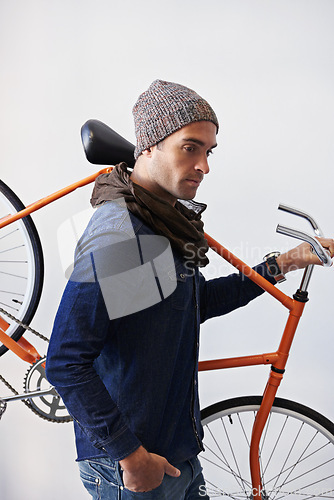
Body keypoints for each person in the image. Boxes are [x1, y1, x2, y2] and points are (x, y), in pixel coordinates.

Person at [46, 80, 334, 500]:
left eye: (208, 151)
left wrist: (283, 262)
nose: (204, 165)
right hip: (135, 462)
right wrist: (131, 457)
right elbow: (65, 361)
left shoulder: (162, 225)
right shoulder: (120, 237)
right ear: (148, 147)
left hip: (175, 451)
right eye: (190, 147)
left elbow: (195, 302)